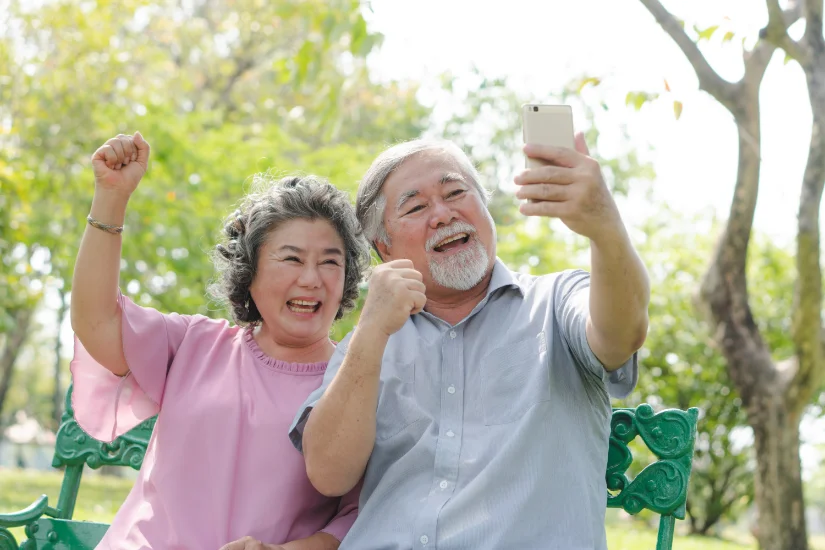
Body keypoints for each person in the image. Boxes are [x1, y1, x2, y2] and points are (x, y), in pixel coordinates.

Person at [289, 135, 650, 549]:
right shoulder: (368, 342)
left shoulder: (555, 301)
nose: (442, 214)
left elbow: (621, 334)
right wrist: (371, 331)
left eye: (456, 192)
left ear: (485, 209)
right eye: (416, 206)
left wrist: (604, 227)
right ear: (383, 248)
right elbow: (329, 473)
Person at [70, 132, 369, 550]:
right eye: (292, 258)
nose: (311, 279)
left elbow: (359, 517)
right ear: (252, 271)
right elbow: (97, 321)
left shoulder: (357, 383)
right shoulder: (193, 343)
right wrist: (110, 195)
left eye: (330, 262)